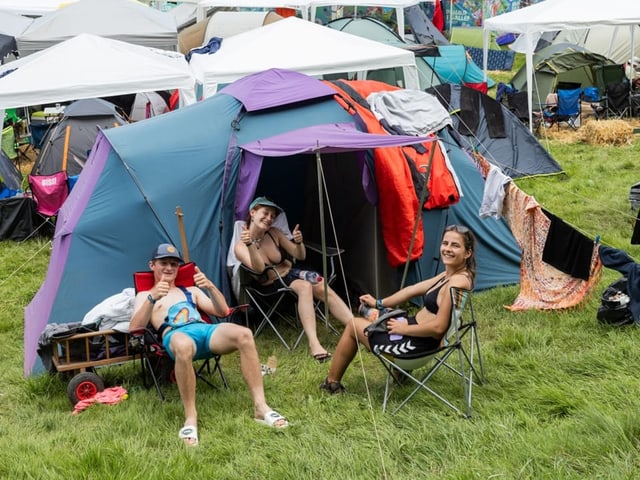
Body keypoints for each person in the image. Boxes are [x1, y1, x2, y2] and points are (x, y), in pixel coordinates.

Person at [130, 243, 289, 447]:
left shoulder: (191, 290)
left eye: (174, 264)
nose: (169, 268)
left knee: (244, 334)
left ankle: (260, 407)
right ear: (152, 265)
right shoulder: (145, 296)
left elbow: (222, 311)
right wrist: (152, 298)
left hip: (205, 331)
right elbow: (135, 328)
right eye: (164, 263)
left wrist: (210, 286)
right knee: (183, 344)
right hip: (176, 335)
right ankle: (190, 418)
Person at [319, 225, 476, 393]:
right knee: (380, 316)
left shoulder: (456, 282)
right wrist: (379, 302)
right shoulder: (450, 275)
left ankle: (331, 384)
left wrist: (404, 328)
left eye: (455, 245)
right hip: (414, 333)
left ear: (468, 253)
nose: (447, 249)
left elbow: (438, 328)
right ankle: (398, 368)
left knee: (353, 325)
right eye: (445, 243)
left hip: (415, 346)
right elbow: (412, 290)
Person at [234, 196, 356, 362]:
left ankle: (356, 328)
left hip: (292, 275)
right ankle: (315, 344)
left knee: (321, 286)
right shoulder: (240, 246)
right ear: (253, 213)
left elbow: (300, 255)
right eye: (266, 213)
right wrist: (250, 246)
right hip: (270, 287)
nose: (269, 218)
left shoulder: (274, 234)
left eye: (273, 216)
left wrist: (299, 242)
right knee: (305, 287)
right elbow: (259, 268)